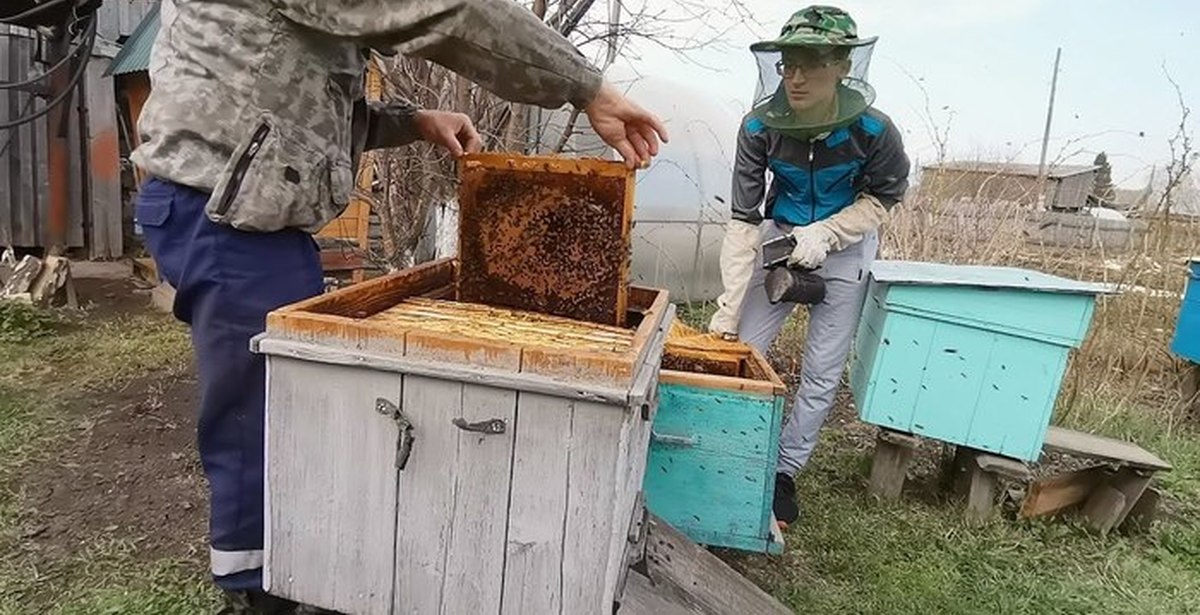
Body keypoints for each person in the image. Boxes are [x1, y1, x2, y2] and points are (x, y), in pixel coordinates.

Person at [130, 1, 668, 612]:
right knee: (262, 415)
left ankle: (291, 565)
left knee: (292, 406)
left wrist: (413, 121)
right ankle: (261, 589)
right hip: (227, 219)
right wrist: (585, 86)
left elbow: (293, 96)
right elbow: (442, 9)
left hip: (243, 216)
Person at [707, 5, 910, 528]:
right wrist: (727, 308)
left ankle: (784, 471)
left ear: (843, 65)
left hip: (845, 246)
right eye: (788, 64)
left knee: (822, 370)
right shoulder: (759, 127)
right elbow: (742, 220)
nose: (795, 77)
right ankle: (732, 452)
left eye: (811, 64)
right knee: (744, 347)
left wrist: (828, 232)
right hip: (779, 236)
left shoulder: (874, 131)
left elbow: (885, 198)